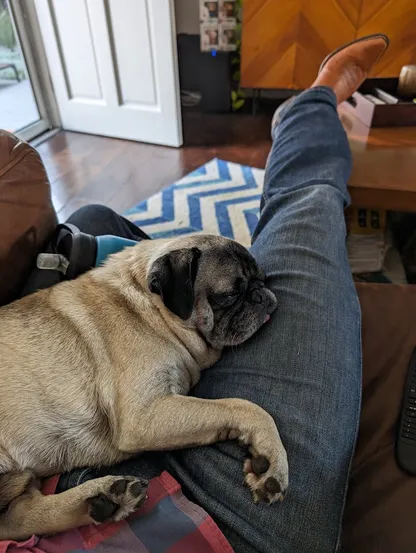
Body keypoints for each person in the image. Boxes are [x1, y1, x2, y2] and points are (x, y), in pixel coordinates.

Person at [19, 35, 389, 553]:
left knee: (91, 220)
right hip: (204, 515)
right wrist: (246, 417)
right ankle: (312, 105)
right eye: (234, 298)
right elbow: (137, 424)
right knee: (305, 208)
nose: (259, 302)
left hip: (40, 471)